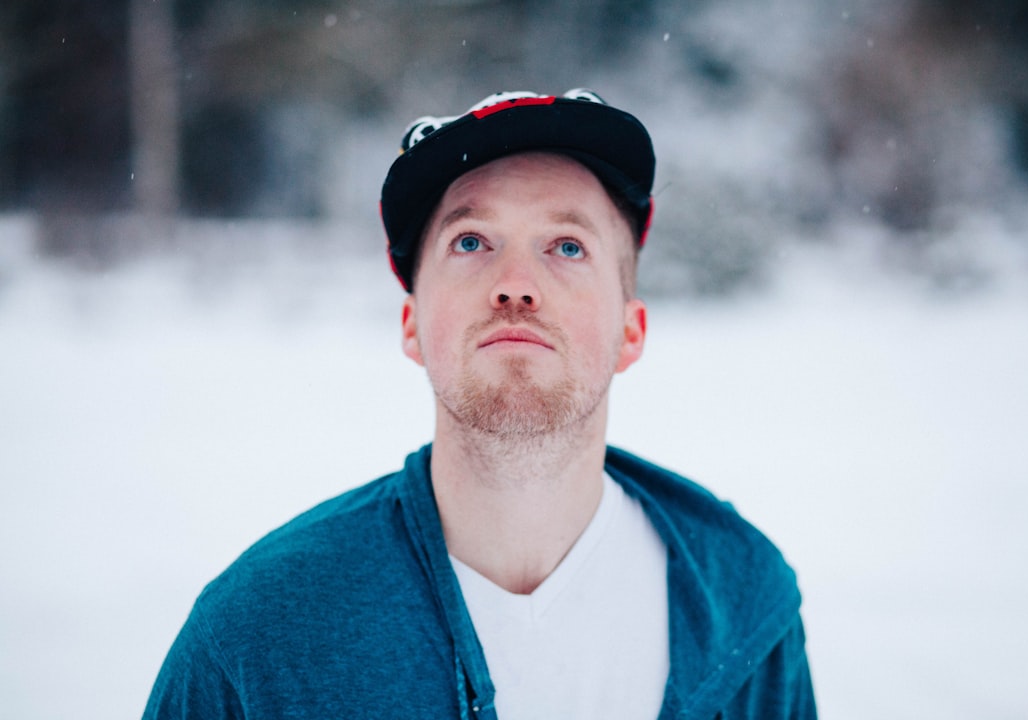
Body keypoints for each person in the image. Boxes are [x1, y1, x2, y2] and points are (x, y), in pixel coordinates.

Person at [143, 89, 816, 719]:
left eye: (567, 246)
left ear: (630, 332)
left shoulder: (744, 605)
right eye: (471, 242)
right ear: (411, 324)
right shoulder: (262, 633)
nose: (516, 286)